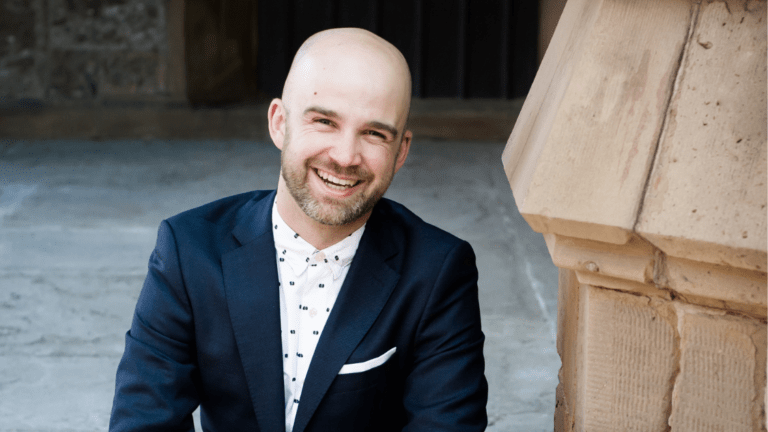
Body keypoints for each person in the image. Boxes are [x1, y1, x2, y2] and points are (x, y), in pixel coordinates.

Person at [109, 28, 487, 432]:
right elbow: (144, 422)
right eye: (324, 121)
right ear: (279, 123)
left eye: (375, 133)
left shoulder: (438, 270)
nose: (345, 156)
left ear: (401, 152)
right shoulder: (189, 250)